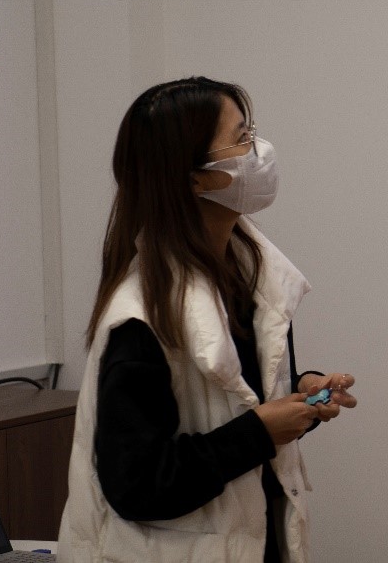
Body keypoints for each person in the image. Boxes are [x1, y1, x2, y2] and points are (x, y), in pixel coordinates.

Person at [58, 77, 356, 563]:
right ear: (194, 178)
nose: (258, 150)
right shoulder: (139, 320)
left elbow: (238, 401)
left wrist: (301, 393)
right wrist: (260, 432)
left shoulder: (250, 276)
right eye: (241, 138)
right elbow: (136, 486)